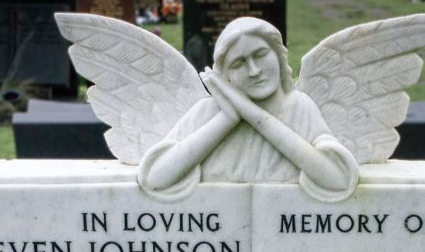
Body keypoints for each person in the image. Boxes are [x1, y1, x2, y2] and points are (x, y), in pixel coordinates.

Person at [137, 17, 359, 202]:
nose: (254, 71)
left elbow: (339, 181)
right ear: (226, 76)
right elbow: (154, 180)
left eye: (260, 55)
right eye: (239, 63)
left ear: (278, 56)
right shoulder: (207, 112)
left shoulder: (298, 107)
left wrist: (250, 113)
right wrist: (227, 119)